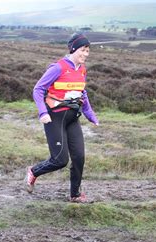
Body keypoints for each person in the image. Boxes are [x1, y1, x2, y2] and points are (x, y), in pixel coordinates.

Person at [25, 33, 99, 203]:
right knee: (60, 160)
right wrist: (43, 113)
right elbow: (38, 89)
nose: (86, 54)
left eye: (88, 51)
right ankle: (34, 172)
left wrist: (91, 115)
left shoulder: (82, 69)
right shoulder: (58, 68)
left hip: (73, 118)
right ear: (74, 49)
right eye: (83, 50)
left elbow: (83, 93)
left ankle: (75, 195)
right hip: (54, 118)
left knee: (79, 158)